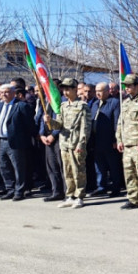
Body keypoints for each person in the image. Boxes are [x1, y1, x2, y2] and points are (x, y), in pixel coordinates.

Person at [49, 78, 90, 209]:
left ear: (74, 89)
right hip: (64, 143)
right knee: (67, 171)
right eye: (64, 89)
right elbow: (59, 125)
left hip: (76, 143)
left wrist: (81, 144)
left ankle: (79, 196)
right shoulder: (63, 106)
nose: (65, 92)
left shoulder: (82, 105)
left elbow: (85, 127)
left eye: (68, 89)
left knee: (78, 171)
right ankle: (70, 196)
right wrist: (50, 121)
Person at [116, 74, 138, 211]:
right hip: (127, 144)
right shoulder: (125, 103)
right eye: (125, 86)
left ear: (137, 86)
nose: (127, 88)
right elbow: (120, 123)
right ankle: (133, 198)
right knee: (129, 173)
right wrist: (119, 140)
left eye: (130, 85)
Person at [0, 84, 34, 201]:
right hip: (2, 141)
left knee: (18, 167)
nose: (3, 95)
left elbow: (29, 125)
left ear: (13, 93)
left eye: (6, 92)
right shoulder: (0, 105)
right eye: (1, 93)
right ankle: (10, 189)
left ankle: (19, 190)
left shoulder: (21, 105)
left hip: (16, 142)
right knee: (4, 166)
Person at [90, 82, 122, 197]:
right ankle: (101, 186)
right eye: (97, 91)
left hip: (109, 140)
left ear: (108, 91)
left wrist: (116, 139)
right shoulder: (95, 104)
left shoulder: (114, 103)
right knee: (99, 165)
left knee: (113, 165)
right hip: (96, 139)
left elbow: (116, 121)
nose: (98, 93)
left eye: (101, 91)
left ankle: (116, 187)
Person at [35, 85, 65, 204]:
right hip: (46, 138)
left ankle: (66, 192)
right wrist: (42, 134)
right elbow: (43, 120)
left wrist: (53, 135)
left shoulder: (61, 102)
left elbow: (62, 121)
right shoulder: (45, 101)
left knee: (62, 166)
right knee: (51, 166)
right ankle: (56, 191)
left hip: (58, 138)